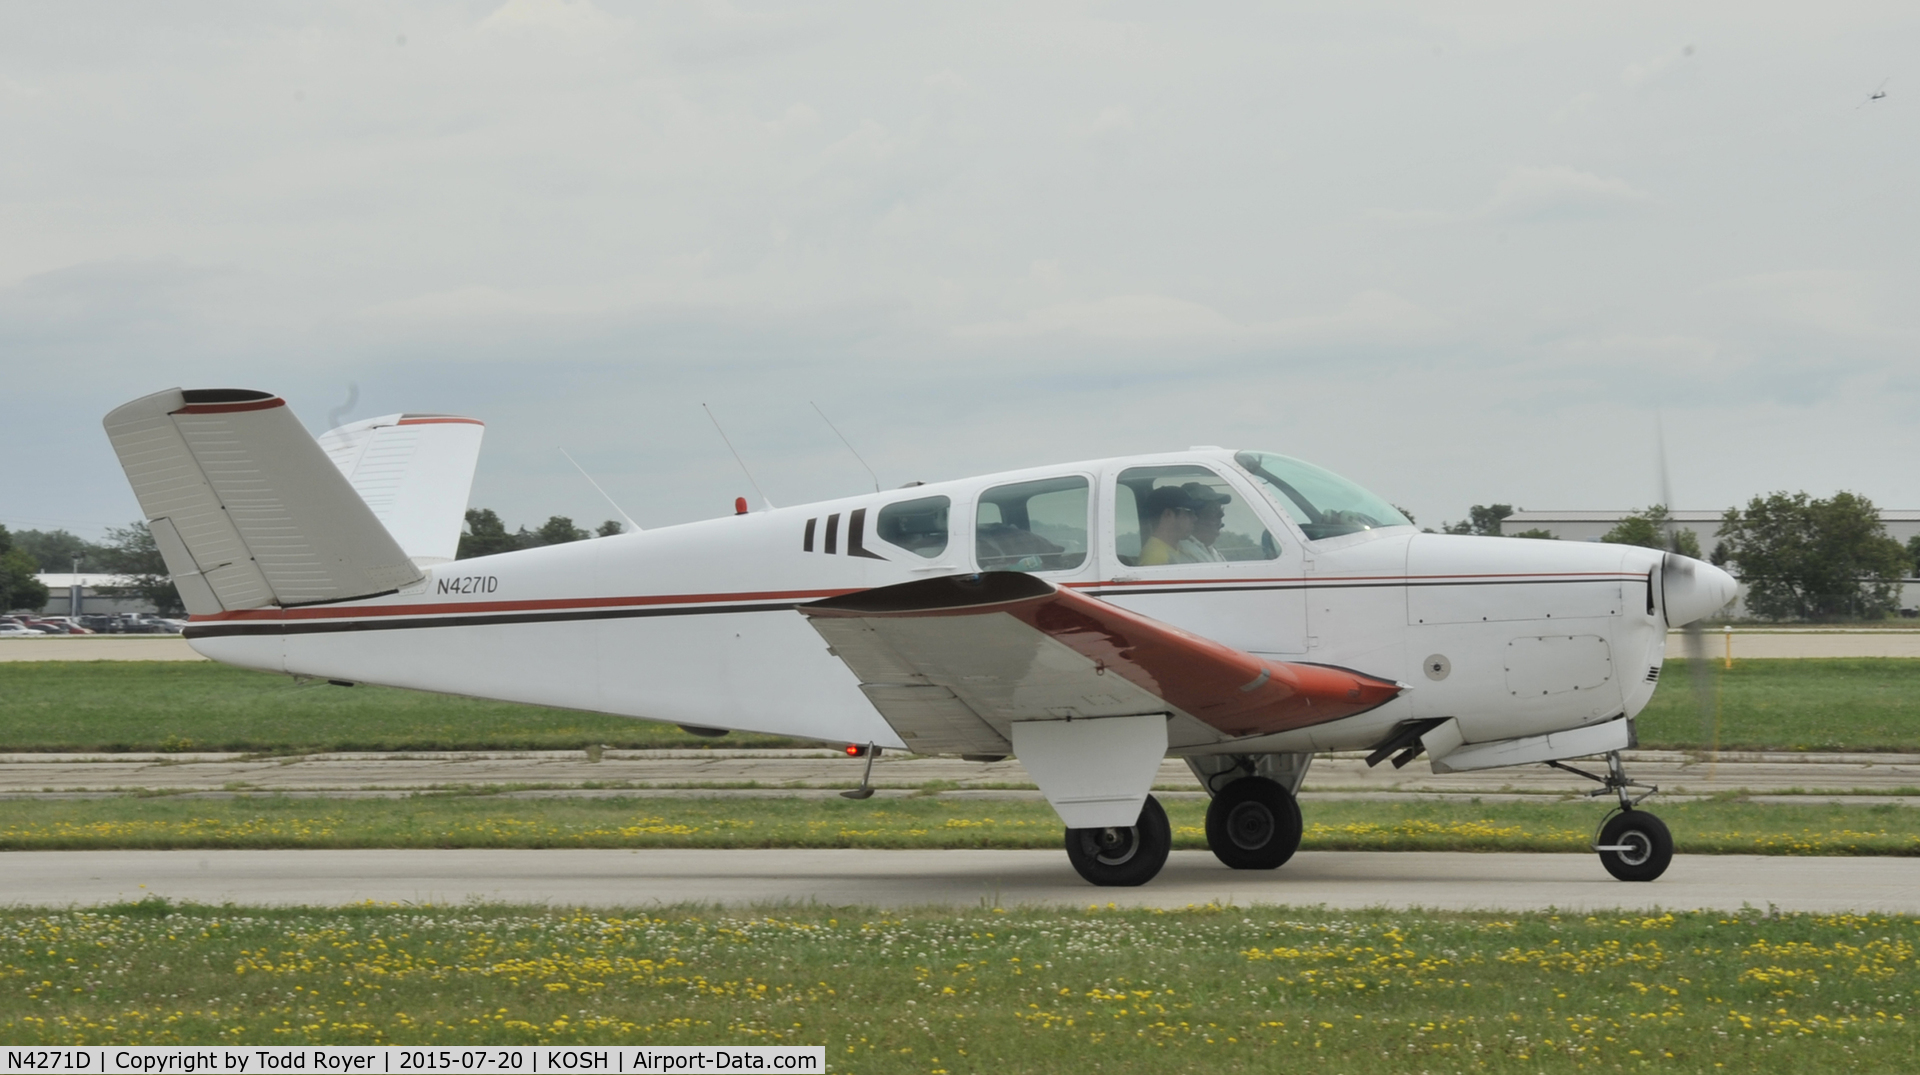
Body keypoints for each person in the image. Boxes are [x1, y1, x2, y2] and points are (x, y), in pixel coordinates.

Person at [1136, 486, 1198, 566]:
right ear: (1168, 514)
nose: (1195, 518)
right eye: (1189, 512)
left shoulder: (1176, 549)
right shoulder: (1156, 557)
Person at [1177, 482, 1231, 563]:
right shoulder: (1183, 551)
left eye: (1220, 509)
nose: (1221, 515)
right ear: (1191, 515)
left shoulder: (1210, 549)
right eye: (1213, 509)